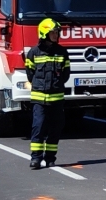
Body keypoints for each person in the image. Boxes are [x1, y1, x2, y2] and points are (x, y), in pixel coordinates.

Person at [22, 18, 70, 168]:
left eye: (57, 32)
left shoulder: (62, 52)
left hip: (56, 99)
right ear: (44, 34)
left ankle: (50, 158)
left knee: (55, 129)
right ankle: (35, 158)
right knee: (39, 127)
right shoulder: (34, 53)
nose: (56, 35)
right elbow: (30, 74)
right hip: (39, 99)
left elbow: (66, 74)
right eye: (53, 32)